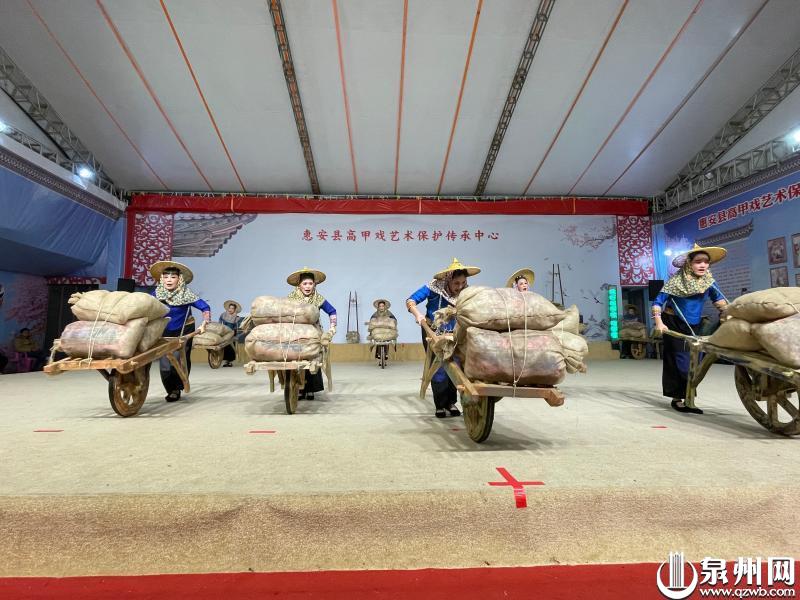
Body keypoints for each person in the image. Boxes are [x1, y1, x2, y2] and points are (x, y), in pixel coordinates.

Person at [652, 244, 728, 415]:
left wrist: (728, 313)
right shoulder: (676, 282)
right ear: (689, 263)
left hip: (695, 325)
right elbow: (657, 302)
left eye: (706, 262)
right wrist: (659, 322)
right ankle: (677, 398)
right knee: (680, 362)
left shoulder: (709, 282)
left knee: (696, 362)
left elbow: (720, 301)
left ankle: (689, 399)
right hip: (673, 322)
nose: (703, 265)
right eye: (698, 262)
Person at [407, 258, 480, 418]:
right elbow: (411, 300)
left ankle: (451, 402)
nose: (460, 287)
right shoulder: (433, 288)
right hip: (433, 331)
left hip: (456, 332)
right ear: (448, 279)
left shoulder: (465, 293)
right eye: (456, 283)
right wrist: (418, 315)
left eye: (463, 283)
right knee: (439, 366)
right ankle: (440, 404)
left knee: (456, 365)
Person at [150, 261, 211, 402]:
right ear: (162, 279)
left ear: (179, 279)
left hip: (184, 330)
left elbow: (205, 307)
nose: (169, 280)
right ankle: (170, 389)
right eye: (166, 277)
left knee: (178, 359)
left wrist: (204, 323)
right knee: (165, 364)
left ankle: (177, 388)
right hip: (164, 331)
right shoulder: (156, 294)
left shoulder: (186, 294)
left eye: (173, 277)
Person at [286, 267, 336, 400]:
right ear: (299, 285)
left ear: (314, 284)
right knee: (294, 357)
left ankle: (311, 389)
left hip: (314, 333)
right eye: (305, 283)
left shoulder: (318, 298)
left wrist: (332, 328)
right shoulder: (291, 298)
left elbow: (332, 311)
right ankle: (298, 387)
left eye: (310, 283)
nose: (308, 286)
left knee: (313, 357)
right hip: (296, 333)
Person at [369, 299, 397, 364]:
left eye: (383, 306)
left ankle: (385, 358)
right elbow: (372, 320)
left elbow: (394, 319)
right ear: (378, 307)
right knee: (377, 339)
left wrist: (391, 321)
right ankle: (379, 358)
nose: (381, 307)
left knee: (388, 340)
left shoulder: (389, 313)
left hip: (386, 330)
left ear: (385, 306)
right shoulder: (375, 313)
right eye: (380, 306)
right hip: (378, 331)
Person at [219, 300, 243, 367]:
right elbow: (220, 322)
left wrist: (234, 332)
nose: (230, 309)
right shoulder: (223, 314)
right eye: (230, 308)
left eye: (232, 308)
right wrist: (220, 328)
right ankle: (225, 360)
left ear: (235, 310)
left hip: (231, 333)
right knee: (224, 346)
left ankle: (229, 361)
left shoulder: (237, 318)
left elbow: (236, 327)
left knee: (230, 347)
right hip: (224, 332)